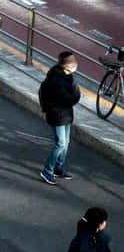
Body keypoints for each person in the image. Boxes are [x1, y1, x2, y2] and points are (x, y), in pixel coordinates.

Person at [39, 51, 81, 185]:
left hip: (65, 115)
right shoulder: (57, 80)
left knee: (66, 143)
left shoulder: (66, 76)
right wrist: (77, 92)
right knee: (60, 143)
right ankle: (47, 170)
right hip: (57, 115)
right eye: (72, 63)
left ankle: (58, 168)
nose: (75, 65)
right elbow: (70, 99)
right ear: (66, 66)